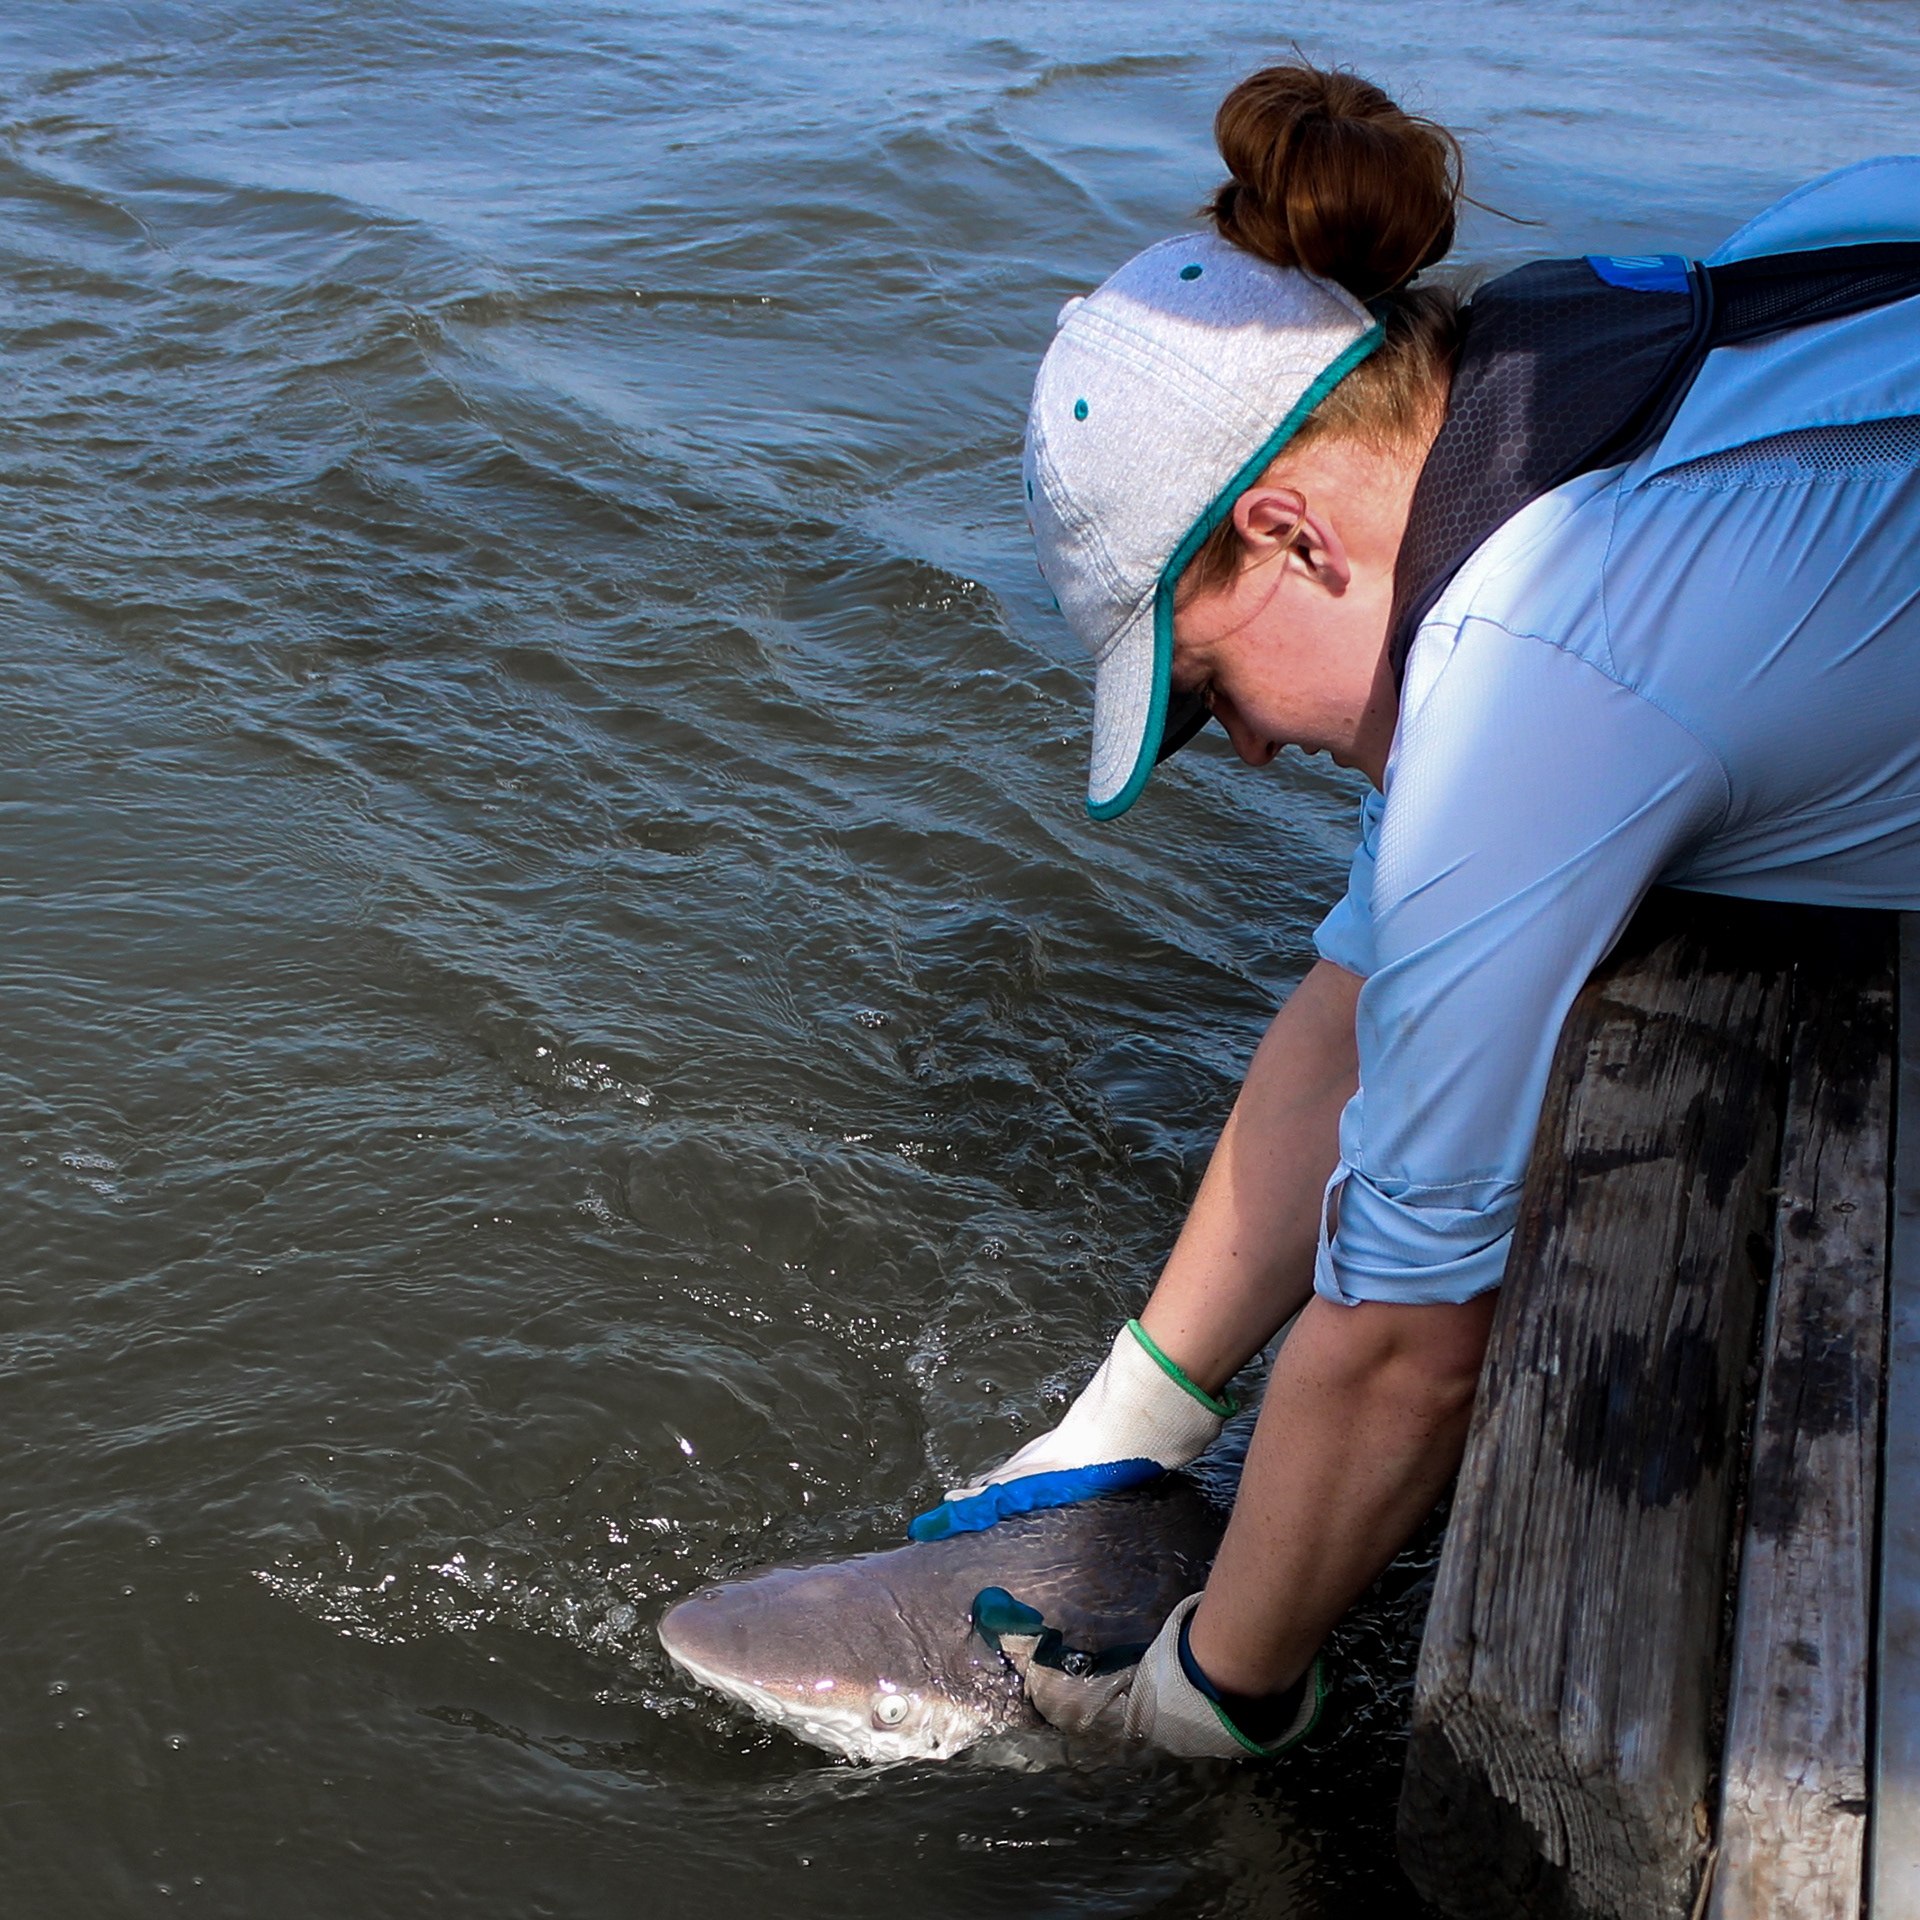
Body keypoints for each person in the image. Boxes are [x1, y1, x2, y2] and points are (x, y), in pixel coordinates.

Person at [910, 63, 1920, 1759]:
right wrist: (1131, 1415)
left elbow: (1406, 1343)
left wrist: (1208, 1690)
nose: (1232, 748)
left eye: (1201, 690)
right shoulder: (1567, 390)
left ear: (1291, 532)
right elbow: (1360, 994)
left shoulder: (1535, 663)